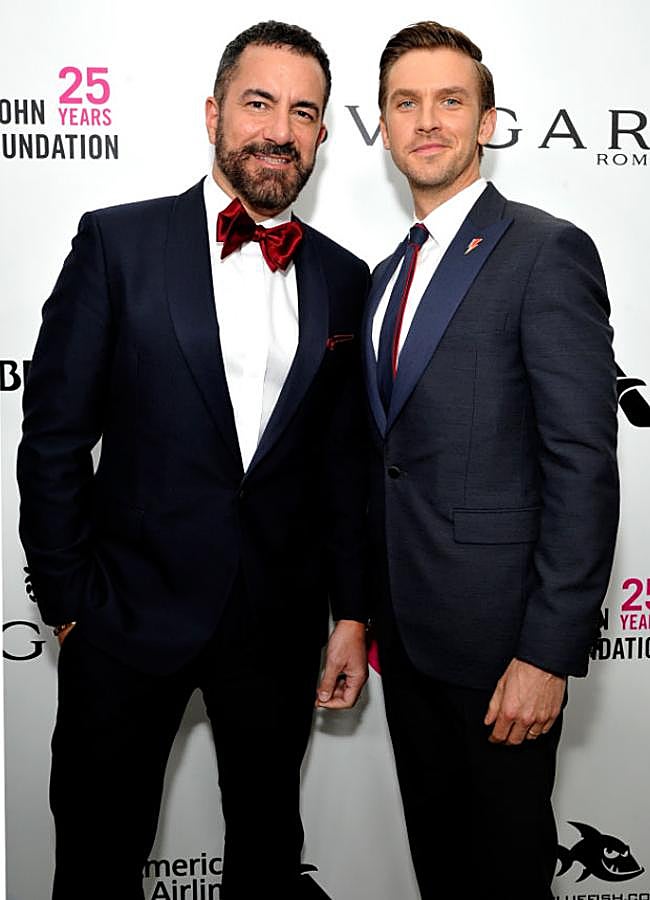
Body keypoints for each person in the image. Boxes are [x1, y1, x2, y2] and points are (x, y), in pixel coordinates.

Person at [17, 20, 369, 900]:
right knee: (97, 863)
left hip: (278, 629)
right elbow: (54, 436)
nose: (279, 130)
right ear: (215, 111)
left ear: (323, 135)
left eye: (303, 112)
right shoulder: (117, 244)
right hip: (124, 621)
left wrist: (353, 613)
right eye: (258, 103)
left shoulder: (345, 277)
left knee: (265, 860)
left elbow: (344, 469)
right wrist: (69, 606)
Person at [364, 21, 619, 900]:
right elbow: (387, 462)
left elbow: (582, 463)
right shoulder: (385, 275)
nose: (426, 120)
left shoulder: (545, 251)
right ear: (384, 126)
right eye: (406, 102)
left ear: (488, 121)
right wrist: (360, 613)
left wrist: (547, 655)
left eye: (449, 100)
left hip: (503, 653)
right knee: (442, 870)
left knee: (505, 878)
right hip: (408, 639)